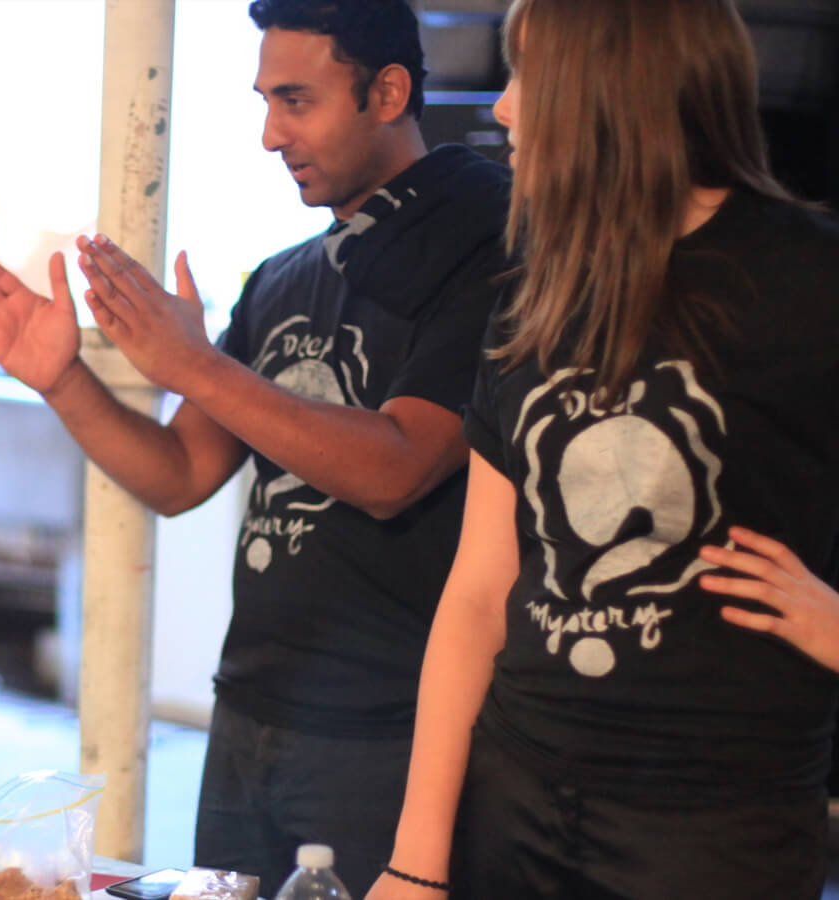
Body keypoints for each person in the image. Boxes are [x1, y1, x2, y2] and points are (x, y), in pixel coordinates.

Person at [0, 1, 510, 893]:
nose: (269, 134)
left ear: (389, 91)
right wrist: (63, 380)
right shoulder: (283, 277)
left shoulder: (484, 238)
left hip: (387, 727)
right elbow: (179, 475)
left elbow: (397, 468)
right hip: (250, 714)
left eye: (297, 100)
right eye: (264, 100)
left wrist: (194, 364)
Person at [368, 1, 839, 897]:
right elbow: (478, 592)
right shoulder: (536, 296)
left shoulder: (809, 280)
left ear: (608, 92)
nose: (502, 110)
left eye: (525, 78)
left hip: (713, 831)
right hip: (513, 801)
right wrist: (414, 861)